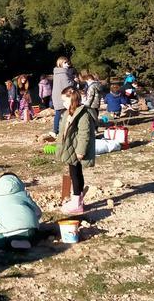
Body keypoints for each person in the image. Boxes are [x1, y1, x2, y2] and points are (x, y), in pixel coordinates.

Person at [56, 86, 96, 215]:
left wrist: (81, 151)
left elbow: (85, 133)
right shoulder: (68, 112)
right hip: (69, 148)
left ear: (72, 99)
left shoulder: (83, 114)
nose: (63, 103)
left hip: (76, 149)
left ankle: (77, 202)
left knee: (76, 174)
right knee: (75, 173)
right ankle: (78, 200)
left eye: (65, 100)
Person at [0, 173, 42, 250]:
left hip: (11, 232)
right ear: (18, 182)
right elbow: (38, 212)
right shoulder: (24, 194)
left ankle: (10, 243)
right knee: (32, 234)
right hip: (31, 230)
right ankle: (30, 241)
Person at [52, 56, 76, 135]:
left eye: (67, 63)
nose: (67, 65)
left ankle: (56, 130)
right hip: (62, 97)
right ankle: (59, 130)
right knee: (65, 113)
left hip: (57, 95)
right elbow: (68, 85)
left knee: (58, 113)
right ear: (60, 63)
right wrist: (74, 81)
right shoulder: (63, 73)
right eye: (65, 63)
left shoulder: (57, 72)